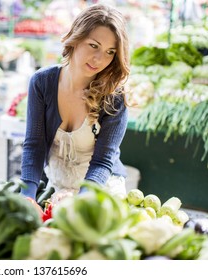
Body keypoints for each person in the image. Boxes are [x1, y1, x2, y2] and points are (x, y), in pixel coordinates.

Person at [19, 4, 130, 204]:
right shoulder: (42, 82)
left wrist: (81, 200)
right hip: (59, 183)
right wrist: (27, 194)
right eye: (94, 45)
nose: (99, 59)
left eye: (110, 52)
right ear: (76, 38)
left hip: (100, 187)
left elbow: (103, 162)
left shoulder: (114, 97)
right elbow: (34, 146)